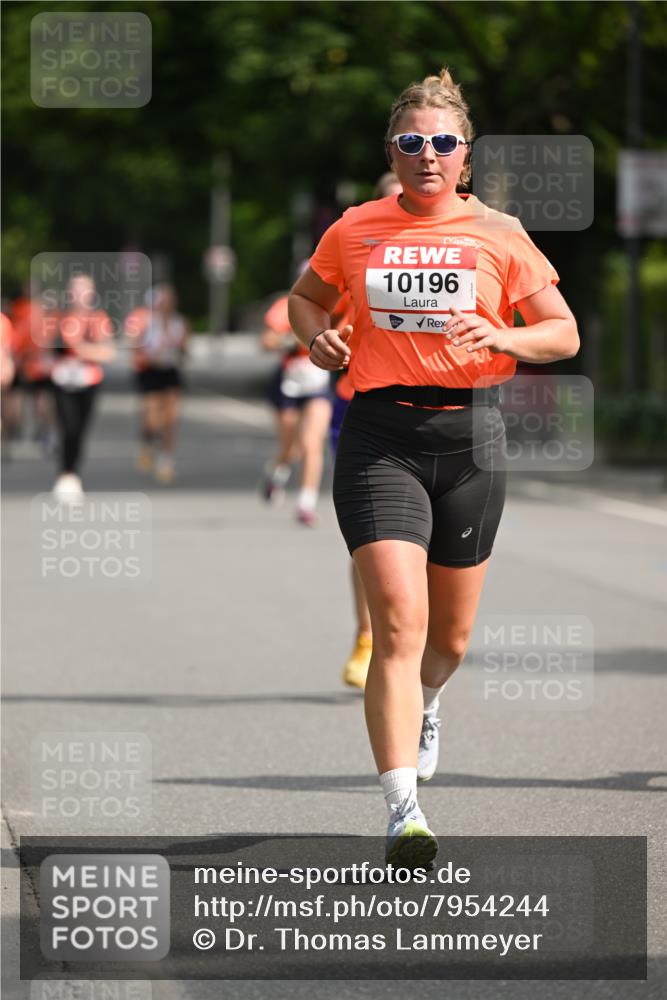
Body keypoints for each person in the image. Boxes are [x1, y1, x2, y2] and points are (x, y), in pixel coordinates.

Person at [288, 68, 579, 867]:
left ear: (465, 157)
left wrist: (504, 339)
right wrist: (316, 336)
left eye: (442, 142)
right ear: (393, 149)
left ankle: (429, 703)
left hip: (472, 440)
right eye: (411, 142)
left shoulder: (500, 233)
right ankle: (402, 808)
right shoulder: (355, 228)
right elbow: (304, 299)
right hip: (381, 434)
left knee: (445, 641)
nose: (426, 155)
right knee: (398, 625)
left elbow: (561, 332)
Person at [334, 172, 403, 691]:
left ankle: (410, 647)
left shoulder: (452, 247)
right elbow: (312, 306)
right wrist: (323, 336)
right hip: (362, 402)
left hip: (442, 414)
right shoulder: (354, 243)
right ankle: (367, 636)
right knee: (373, 544)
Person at [261, 288, 333, 526]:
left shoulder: (339, 304)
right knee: (291, 448)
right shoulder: (288, 304)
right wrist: (293, 340)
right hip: (290, 384)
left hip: (318, 385)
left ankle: (306, 503)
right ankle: (276, 471)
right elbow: (267, 341)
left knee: (312, 444)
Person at [50, 273, 114, 501]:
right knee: (68, 426)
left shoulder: (97, 320)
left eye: (83, 289)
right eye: (74, 289)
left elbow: (107, 353)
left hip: (88, 380)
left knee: (80, 430)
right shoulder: (58, 318)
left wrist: (80, 349)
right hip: (62, 381)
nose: (78, 294)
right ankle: (66, 474)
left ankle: (73, 472)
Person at [124, 284, 189, 483]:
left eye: (170, 301)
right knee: (152, 418)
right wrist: (150, 356)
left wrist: (179, 347)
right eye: (163, 301)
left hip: (170, 371)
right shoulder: (145, 323)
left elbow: (186, 350)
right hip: (150, 372)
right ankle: (148, 442)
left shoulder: (180, 323)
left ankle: (166, 460)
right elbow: (134, 349)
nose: (166, 305)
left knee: (171, 419)